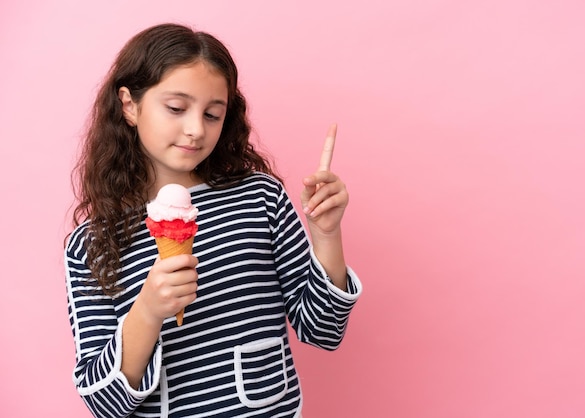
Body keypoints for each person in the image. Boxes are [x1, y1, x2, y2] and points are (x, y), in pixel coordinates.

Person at [64, 23, 362, 418]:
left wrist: (326, 236)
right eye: (176, 108)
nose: (195, 129)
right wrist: (148, 310)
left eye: (212, 114)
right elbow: (104, 404)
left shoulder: (261, 198)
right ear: (129, 105)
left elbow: (323, 331)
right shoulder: (90, 244)